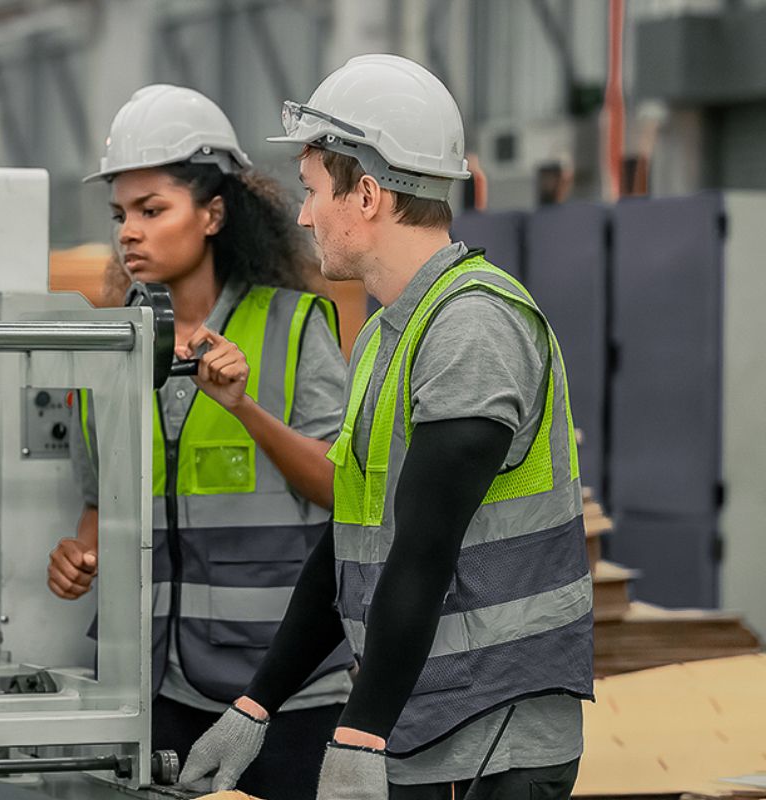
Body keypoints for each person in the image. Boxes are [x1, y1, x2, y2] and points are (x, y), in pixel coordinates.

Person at [178, 55, 594, 800]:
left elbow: (424, 550)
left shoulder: (471, 328)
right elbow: (350, 541)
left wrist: (358, 731)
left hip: (494, 736)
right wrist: (256, 704)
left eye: (312, 192)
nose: (303, 216)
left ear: (366, 194)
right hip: (424, 722)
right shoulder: (385, 334)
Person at [46, 84, 354, 799]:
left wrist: (245, 408)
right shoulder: (107, 349)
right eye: (122, 214)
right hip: (155, 686)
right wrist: (80, 553)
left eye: (153, 211)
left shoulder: (292, 327)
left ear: (213, 213)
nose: (129, 232)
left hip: (284, 689)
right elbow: (103, 504)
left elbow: (340, 486)